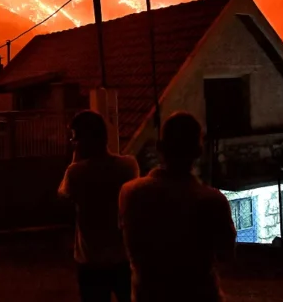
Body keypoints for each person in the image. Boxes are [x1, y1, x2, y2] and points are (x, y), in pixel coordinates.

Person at [119, 112, 236, 302]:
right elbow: (226, 255)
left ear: (159, 147)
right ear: (199, 150)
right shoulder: (212, 200)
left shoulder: (129, 193)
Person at [58, 110, 140, 302]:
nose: (73, 143)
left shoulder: (76, 172)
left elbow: (63, 196)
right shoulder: (128, 166)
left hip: (90, 262)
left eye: (74, 139)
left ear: (83, 140)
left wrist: (74, 159)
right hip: (123, 257)